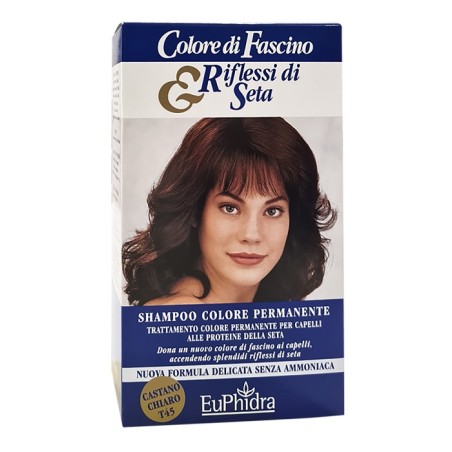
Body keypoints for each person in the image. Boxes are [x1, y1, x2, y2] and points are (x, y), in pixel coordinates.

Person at [122, 117, 336, 306]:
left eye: (272, 211)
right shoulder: (182, 315)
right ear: (195, 212)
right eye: (230, 208)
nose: (251, 235)